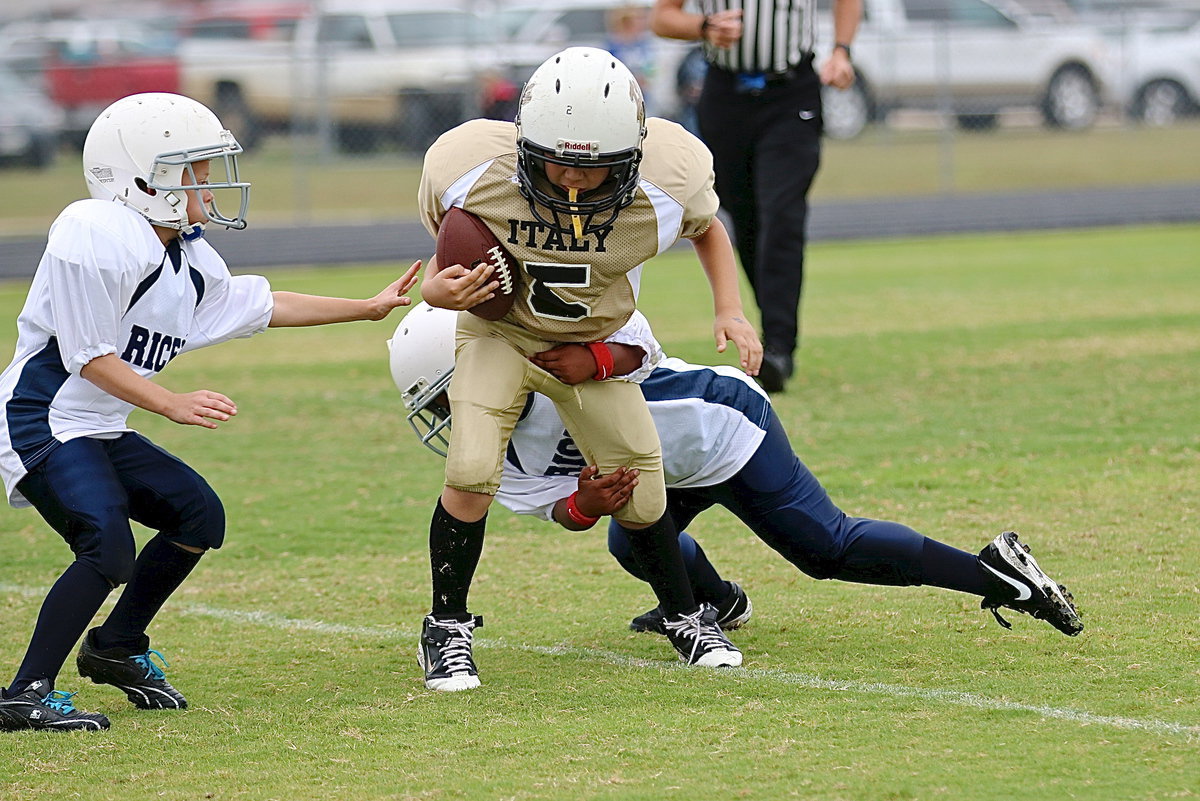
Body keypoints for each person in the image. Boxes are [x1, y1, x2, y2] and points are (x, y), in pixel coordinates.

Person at [0, 93, 420, 732]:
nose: (209, 182)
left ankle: (115, 647)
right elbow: (88, 356)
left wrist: (367, 307)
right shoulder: (96, 232)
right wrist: (171, 402)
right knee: (106, 548)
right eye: (194, 168)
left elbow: (266, 304)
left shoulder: (187, 257)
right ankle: (24, 692)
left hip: (96, 424)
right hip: (42, 418)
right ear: (144, 177)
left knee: (197, 514)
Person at [389, 304, 1084, 645]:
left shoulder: (542, 345)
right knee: (630, 540)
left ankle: (1000, 574)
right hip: (664, 472)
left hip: (723, 428)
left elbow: (641, 342)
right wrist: (586, 500)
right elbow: (552, 508)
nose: (454, 416)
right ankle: (718, 602)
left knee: (828, 550)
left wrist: (596, 360)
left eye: (448, 397)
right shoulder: (489, 455)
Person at [415, 47, 763, 691]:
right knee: (468, 469)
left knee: (642, 482)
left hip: (595, 337)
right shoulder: (468, 169)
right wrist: (439, 294)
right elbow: (443, 259)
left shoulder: (667, 181)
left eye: (595, 169)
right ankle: (445, 627)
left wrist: (730, 308)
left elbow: (707, 228)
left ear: (630, 157)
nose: (574, 182)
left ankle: (685, 614)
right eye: (560, 164)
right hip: (502, 334)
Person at [650, 0, 862, 394]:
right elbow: (663, 18)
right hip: (725, 94)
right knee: (744, 216)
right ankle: (771, 328)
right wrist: (705, 25)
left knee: (781, 213)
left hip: (791, 92)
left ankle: (779, 346)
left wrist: (841, 50)